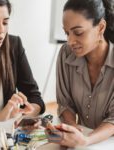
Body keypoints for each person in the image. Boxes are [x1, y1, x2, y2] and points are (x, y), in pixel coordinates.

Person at [46, 0, 114, 148]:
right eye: (67, 33)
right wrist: (71, 128)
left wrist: (87, 140)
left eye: (78, 32)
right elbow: (65, 104)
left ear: (101, 27)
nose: (70, 41)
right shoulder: (65, 54)